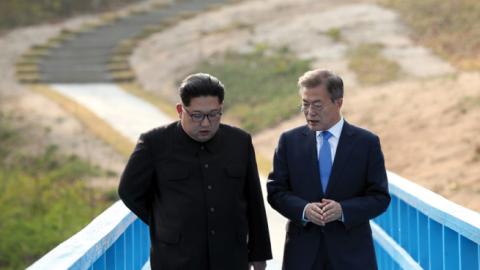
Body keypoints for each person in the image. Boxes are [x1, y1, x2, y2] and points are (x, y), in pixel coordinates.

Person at [118, 73, 272, 270]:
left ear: (221, 108)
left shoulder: (239, 142)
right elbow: (128, 191)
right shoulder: (153, 143)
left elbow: (254, 201)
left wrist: (259, 254)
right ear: (180, 110)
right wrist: (165, 220)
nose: (206, 123)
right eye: (197, 115)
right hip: (176, 258)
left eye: (214, 114)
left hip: (230, 257)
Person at [267, 69, 390, 270]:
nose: (310, 112)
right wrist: (304, 210)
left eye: (317, 105)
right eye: (305, 104)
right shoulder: (289, 142)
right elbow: (276, 191)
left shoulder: (366, 143)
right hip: (302, 257)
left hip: (352, 257)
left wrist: (343, 210)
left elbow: (380, 197)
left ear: (338, 102)